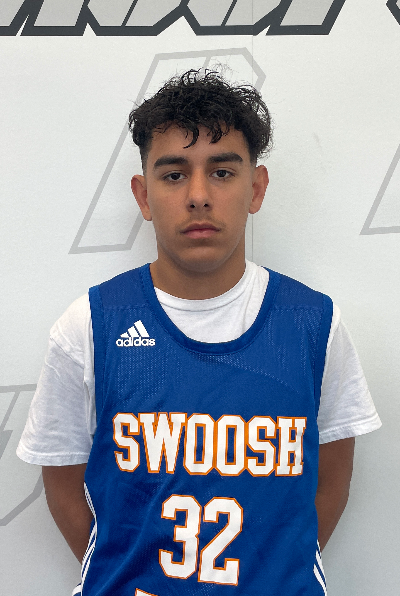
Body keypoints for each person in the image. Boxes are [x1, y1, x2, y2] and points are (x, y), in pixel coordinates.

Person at [17, 70, 381, 596]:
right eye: (173, 175)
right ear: (143, 196)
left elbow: (331, 483)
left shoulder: (315, 324)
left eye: (222, 172)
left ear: (256, 188)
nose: (198, 196)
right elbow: (63, 486)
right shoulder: (90, 325)